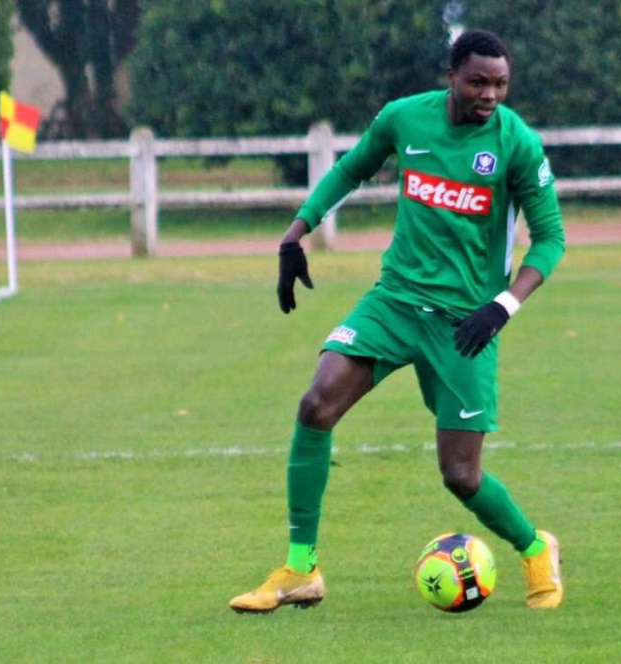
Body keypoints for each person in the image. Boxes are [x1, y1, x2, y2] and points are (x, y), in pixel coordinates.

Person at [229, 28, 566, 613]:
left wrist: (502, 305)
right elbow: (349, 171)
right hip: (396, 300)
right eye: (479, 81)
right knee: (316, 405)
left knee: (461, 476)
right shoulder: (404, 119)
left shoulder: (517, 144)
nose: (490, 94)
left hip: (467, 323)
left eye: (501, 84)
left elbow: (551, 240)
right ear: (452, 76)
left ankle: (536, 547)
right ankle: (300, 569)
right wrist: (296, 230)